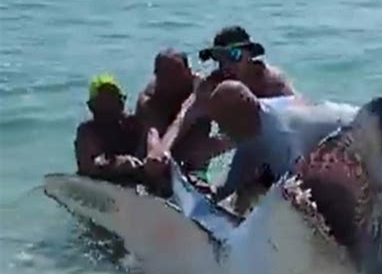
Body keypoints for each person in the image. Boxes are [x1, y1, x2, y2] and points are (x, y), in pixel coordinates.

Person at [159, 26, 298, 173]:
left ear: (249, 55)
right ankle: (196, 175)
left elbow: (297, 121)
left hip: (277, 146)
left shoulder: (272, 83)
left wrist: (221, 145)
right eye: (220, 58)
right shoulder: (213, 83)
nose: (227, 65)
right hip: (241, 145)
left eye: (234, 55)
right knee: (199, 123)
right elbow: (183, 119)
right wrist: (162, 150)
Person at [206, 81, 358, 212]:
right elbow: (238, 174)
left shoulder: (278, 137)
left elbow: (299, 192)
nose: (222, 130)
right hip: (326, 130)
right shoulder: (251, 124)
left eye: (224, 123)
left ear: (243, 114)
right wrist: (213, 196)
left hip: (354, 130)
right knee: (248, 189)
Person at [74, 73, 171, 194]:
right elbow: (88, 166)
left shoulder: (132, 124)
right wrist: (121, 163)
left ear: (122, 102)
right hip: (100, 186)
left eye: (113, 100)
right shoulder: (87, 131)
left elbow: (152, 134)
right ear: (92, 106)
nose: (109, 107)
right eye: (104, 103)